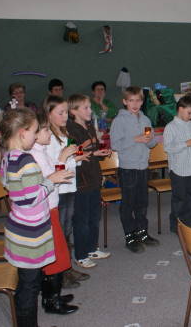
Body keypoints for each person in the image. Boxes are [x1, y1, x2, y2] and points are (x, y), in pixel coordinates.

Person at [0, 108, 75, 326]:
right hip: (30, 234)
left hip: (21, 228)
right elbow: (29, 198)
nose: (36, 136)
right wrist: (51, 180)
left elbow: (18, 193)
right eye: (35, 131)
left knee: (28, 284)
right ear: (22, 132)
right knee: (29, 288)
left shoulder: (9, 156)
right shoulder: (25, 161)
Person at [29, 112, 79, 314]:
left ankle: (52, 295)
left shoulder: (40, 151)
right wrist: (63, 157)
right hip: (46, 210)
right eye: (44, 130)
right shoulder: (35, 155)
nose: (49, 133)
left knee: (57, 253)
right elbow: (51, 179)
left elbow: (55, 174)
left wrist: (64, 160)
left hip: (51, 207)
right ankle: (52, 301)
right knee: (56, 254)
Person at [42, 95, 90, 287]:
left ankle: (67, 267)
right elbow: (52, 169)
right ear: (49, 114)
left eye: (65, 113)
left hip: (69, 186)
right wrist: (66, 157)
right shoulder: (48, 138)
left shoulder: (63, 133)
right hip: (58, 191)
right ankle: (59, 272)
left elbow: (67, 162)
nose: (65, 116)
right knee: (60, 232)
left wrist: (76, 158)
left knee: (67, 229)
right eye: (60, 113)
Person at [110, 86, 159, 252]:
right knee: (128, 204)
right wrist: (135, 139)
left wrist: (150, 140)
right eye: (131, 100)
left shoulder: (145, 120)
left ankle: (142, 232)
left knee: (142, 203)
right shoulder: (119, 120)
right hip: (128, 169)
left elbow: (151, 143)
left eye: (138, 100)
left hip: (143, 166)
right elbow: (115, 145)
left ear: (142, 101)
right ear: (125, 102)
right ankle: (130, 236)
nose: (135, 104)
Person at [66, 94, 112, 268]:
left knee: (94, 217)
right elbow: (76, 154)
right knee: (81, 220)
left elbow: (93, 150)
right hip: (81, 182)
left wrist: (100, 152)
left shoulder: (89, 126)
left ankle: (92, 248)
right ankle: (81, 254)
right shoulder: (70, 130)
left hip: (93, 178)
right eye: (85, 108)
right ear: (73, 111)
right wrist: (93, 153)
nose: (90, 110)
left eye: (90, 107)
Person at [165, 95, 191, 230]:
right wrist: (187, 143)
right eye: (189, 113)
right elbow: (168, 148)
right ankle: (177, 225)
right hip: (178, 169)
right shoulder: (170, 127)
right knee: (179, 198)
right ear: (180, 109)